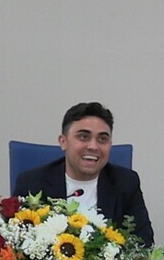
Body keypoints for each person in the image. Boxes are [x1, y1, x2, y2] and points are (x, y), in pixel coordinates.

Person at [12, 102, 154, 245]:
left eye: (102, 139)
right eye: (83, 137)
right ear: (63, 142)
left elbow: (144, 244)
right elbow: (15, 242)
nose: (93, 146)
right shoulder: (32, 183)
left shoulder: (126, 182)